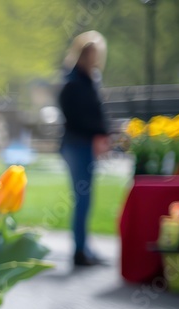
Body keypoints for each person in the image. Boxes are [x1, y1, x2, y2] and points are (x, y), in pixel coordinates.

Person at [58, 31, 109, 267]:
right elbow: (78, 117)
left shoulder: (90, 80)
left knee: (87, 198)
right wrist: (97, 131)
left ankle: (84, 246)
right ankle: (79, 250)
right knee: (82, 197)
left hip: (86, 144)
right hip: (77, 144)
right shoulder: (73, 83)